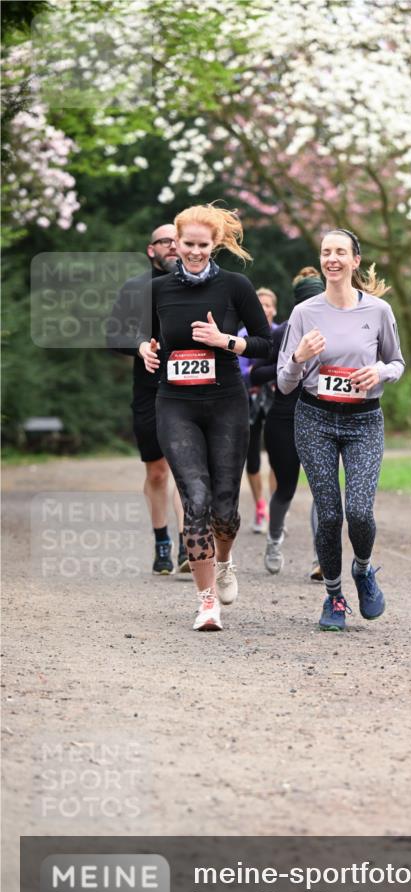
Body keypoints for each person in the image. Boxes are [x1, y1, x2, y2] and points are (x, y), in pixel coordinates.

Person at [137, 205, 271, 631]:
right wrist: (145, 348)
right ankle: (206, 601)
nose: (194, 253)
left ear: (216, 245)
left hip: (226, 401)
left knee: (225, 508)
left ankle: (225, 561)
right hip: (175, 402)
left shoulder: (236, 286)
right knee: (194, 498)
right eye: (187, 245)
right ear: (175, 244)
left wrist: (226, 341)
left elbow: (267, 344)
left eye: (202, 245)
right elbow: (142, 334)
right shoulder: (157, 289)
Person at [277, 229, 405, 631]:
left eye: (340, 252)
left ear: (354, 261)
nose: (332, 259)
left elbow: (398, 363)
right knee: (330, 515)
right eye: (326, 252)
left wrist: (379, 371)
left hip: (364, 420)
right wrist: (299, 356)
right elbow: (284, 381)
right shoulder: (304, 314)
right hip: (314, 416)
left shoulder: (379, 311)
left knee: (360, 512)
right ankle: (333, 596)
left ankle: (363, 570)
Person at [107, 224, 187, 575]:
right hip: (149, 389)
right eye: (164, 241)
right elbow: (113, 334)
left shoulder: (197, 287)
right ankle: (162, 542)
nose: (172, 246)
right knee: (157, 472)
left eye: (176, 240)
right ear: (150, 249)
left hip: (189, 390)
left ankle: (189, 544)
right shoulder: (135, 288)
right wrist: (139, 346)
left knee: (187, 468)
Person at [250, 268, 325, 575]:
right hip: (284, 417)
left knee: (324, 489)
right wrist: (292, 360)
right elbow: (256, 373)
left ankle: (323, 556)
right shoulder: (282, 333)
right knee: (286, 488)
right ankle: (274, 539)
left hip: (323, 415)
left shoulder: (339, 328)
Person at [238, 287, 278, 533]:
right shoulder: (242, 335)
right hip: (249, 402)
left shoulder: (281, 332)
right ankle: (260, 507)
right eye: (259, 304)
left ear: (274, 309)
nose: (263, 308)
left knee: (277, 456)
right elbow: (241, 372)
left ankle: (276, 510)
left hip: (275, 400)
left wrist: (257, 373)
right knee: (251, 458)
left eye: (268, 304)